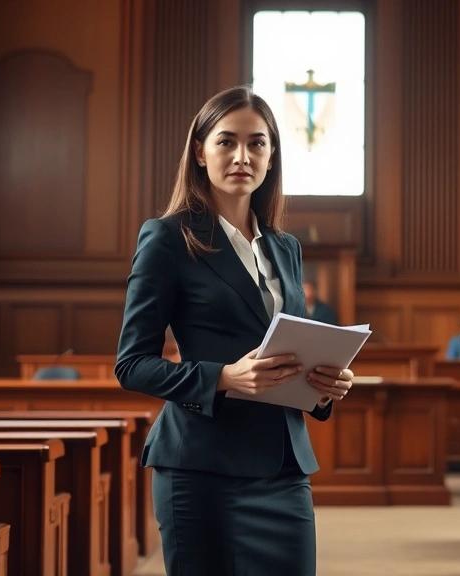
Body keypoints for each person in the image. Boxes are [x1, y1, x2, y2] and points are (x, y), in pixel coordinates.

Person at [114, 86, 355, 575]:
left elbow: (288, 353)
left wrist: (324, 388)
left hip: (284, 467)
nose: (242, 156)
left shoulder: (286, 248)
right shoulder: (167, 237)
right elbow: (132, 365)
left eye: (257, 143)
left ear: (271, 157)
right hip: (201, 468)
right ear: (200, 152)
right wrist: (223, 378)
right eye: (226, 141)